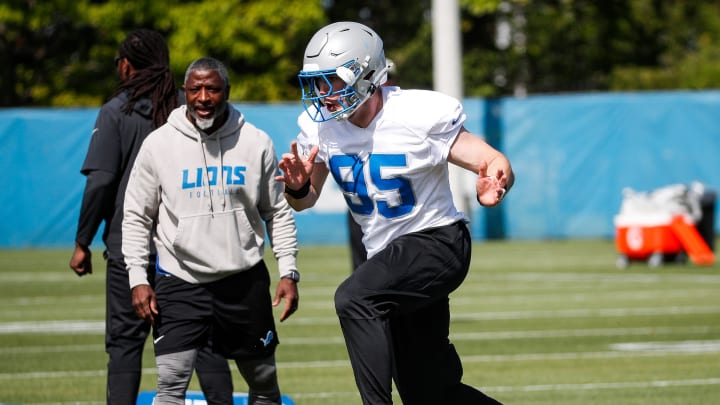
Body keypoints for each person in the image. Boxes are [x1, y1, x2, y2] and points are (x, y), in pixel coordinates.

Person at [277, 22, 513, 404]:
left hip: (438, 241)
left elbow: (491, 159)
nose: (324, 95)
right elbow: (305, 200)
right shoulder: (322, 129)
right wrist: (298, 185)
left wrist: (495, 180)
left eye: (331, 81)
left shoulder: (416, 113)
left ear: (366, 76)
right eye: (318, 84)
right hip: (388, 258)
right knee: (429, 392)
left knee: (354, 298)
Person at [122, 56, 300, 405]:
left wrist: (289, 270)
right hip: (180, 280)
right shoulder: (159, 144)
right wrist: (137, 278)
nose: (203, 97)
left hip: (243, 280)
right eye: (195, 89)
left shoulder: (256, 142)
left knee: (263, 383)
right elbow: (136, 216)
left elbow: (277, 211)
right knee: (171, 384)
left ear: (227, 92)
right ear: (184, 92)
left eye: (212, 89)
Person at [69, 29, 233, 405]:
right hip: (191, 246)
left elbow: (101, 182)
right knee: (206, 342)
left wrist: (82, 241)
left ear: (125, 65)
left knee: (126, 343)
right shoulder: (188, 108)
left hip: (132, 248)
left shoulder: (116, 111)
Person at [346, 58, 396, 271]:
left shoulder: (404, 114)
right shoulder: (335, 121)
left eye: (386, 79)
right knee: (361, 276)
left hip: (400, 211)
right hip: (363, 208)